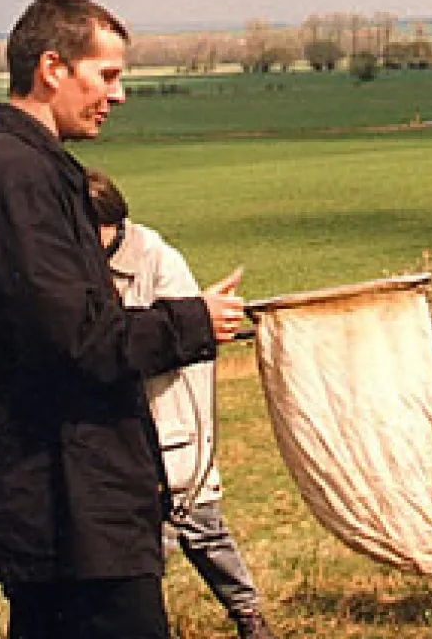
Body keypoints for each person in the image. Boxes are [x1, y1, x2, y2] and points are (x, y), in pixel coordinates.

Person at [0, 0, 244, 638]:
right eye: (106, 75)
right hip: (65, 507)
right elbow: (75, 341)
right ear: (53, 67)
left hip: (71, 502)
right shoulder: (16, 177)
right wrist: (193, 322)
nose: (120, 94)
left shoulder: (26, 170)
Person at [87, 168, 276, 639]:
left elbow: (179, 337)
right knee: (138, 550)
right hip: (115, 428)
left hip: (169, 415)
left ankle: (248, 615)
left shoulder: (156, 258)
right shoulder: (78, 266)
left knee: (200, 528)